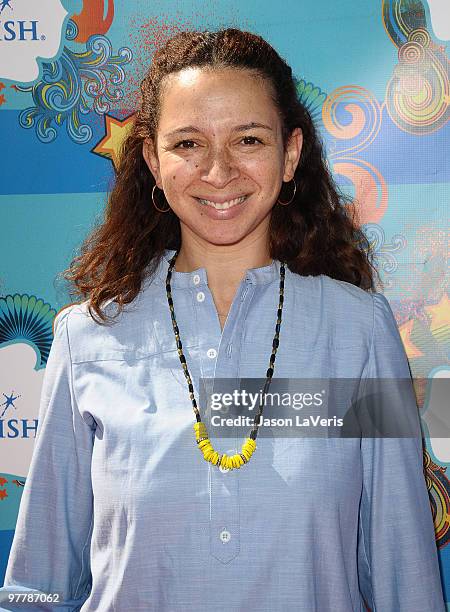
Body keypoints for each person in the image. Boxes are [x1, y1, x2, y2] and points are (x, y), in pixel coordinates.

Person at [0, 28, 445, 612]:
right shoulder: (88, 336)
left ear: (290, 156)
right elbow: (39, 586)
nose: (218, 170)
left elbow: (402, 574)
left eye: (248, 139)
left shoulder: (359, 331)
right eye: (187, 144)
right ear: (152, 162)